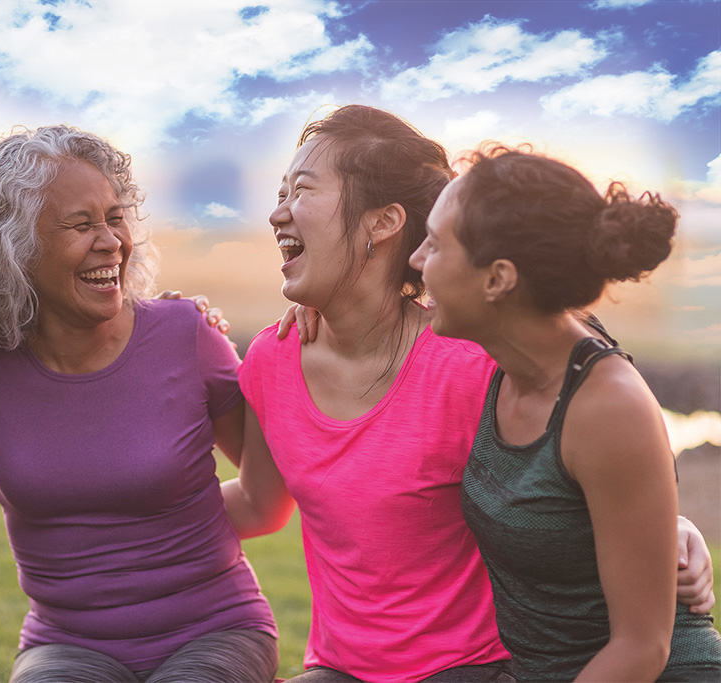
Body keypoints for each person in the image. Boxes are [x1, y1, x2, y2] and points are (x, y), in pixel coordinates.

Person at [223, 104, 717, 682]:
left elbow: (587, 446)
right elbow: (262, 498)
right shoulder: (279, 354)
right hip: (364, 669)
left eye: (302, 191)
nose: (417, 262)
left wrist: (670, 530)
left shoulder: (489, 364)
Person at [0, 125, 278, 683]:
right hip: (64, 644)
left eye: (114, 216)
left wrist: (176, 524)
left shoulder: (186, 333)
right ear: (15, 248)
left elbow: (266, 501)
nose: (111, 241)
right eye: (81, 225)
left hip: (215, 627)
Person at [408, 146, 721, 680]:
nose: (416, 258)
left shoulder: (607, 408)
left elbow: (643, 648)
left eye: (435, 244)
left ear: (498, 278)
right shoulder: (503, 358)